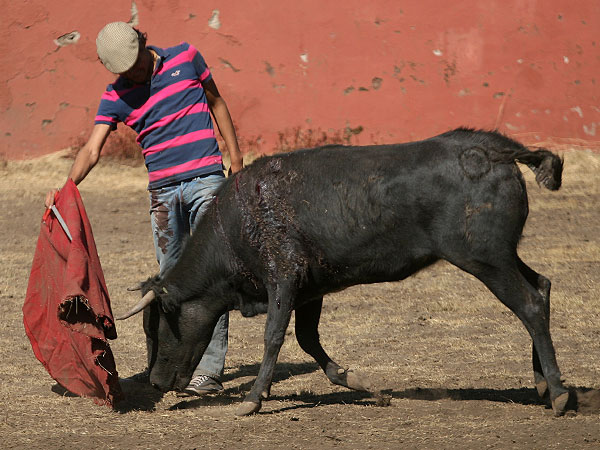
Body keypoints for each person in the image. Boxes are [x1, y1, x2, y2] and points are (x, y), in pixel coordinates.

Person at [45, 21, 243, 395]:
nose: (133, 72)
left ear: (142, 42)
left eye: (135, 62)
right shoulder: (115, 95)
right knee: (168, 282)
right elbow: (91, 149)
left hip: (206, 181)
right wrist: (64, 188)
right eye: (123, 69)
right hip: (163, 194)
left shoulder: (186, 56)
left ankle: (210, 370)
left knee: (213, 276)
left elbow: (217, 102)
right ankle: (165, 365)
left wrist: (237, 160)